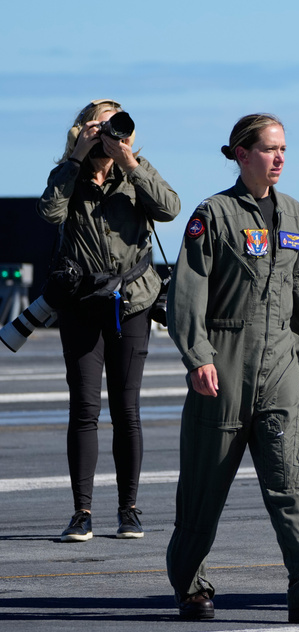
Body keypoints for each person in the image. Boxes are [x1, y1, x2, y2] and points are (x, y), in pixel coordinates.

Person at [165, 114, 299, 623]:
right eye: (269, 149)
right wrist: (198, 357)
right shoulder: (214, 214)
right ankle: (191, 586)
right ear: (241, 153)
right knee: (204, 490)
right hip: (224, 366)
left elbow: (296, 300)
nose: (279, 158)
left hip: (280, 369)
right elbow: (187, 292)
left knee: (292, 483)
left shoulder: (292, 213)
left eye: (284, 150)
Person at [38, 99, 180, 542]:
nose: (111, 132)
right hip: (81, 301)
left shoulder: (135, 170)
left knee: (127, 408)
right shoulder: (69, 172)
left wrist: (130, 162)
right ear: (84, 128)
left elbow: (170, 208)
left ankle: (129, 509)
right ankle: (81, 512)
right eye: (101, 124)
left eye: (116, 124)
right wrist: (79, 156)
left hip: (131, 301)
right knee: (84, 409)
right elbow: (49, 212)